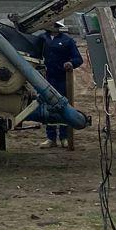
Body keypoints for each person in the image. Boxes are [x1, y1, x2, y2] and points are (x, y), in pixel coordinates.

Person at [40, 20, 85, 148]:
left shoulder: (67, 40)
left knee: (63, 106)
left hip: (62, 78)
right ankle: (51, 138)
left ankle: (64, 136)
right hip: (47, 78)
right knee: (48, 106)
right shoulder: (41, 39)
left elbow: (78, 59)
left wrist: (71, 63)